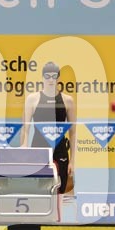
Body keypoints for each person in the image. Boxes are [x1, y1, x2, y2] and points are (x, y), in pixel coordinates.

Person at [21, 62, 76, 194]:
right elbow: (25, 128)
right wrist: (24, 150)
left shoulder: (67, 100)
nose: (51, 80)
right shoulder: (32, 99)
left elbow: (73, 132)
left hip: (61, 151)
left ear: (58, 78)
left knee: (60, 192)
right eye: (47, 76)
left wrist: (73, 161)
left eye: (54, 76)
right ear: (42, 77)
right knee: (38, 192)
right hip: (38, 150)